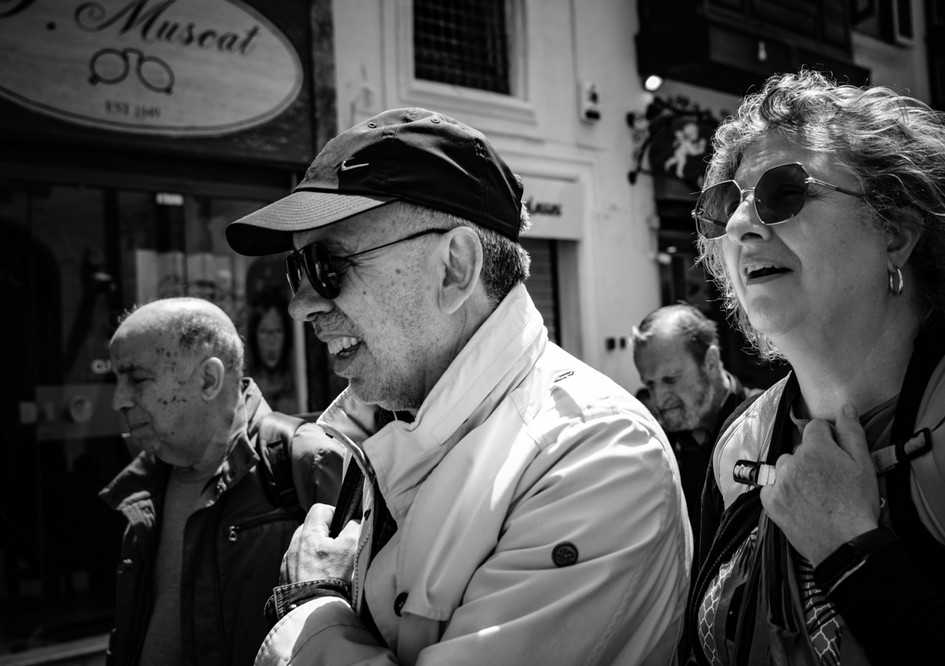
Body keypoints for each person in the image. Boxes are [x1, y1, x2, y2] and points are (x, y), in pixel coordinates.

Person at [225, 107, 692, 665]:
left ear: (454, 268)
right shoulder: (384, 421)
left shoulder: (597, 454)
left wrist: (310, 608)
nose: (302, 304)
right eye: (295, 270)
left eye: (327, 266)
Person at [683, 69, 945, 665]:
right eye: (726, 204)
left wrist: (850, 552)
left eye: (784, 193)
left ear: (896, 234)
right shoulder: (738, 448)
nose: (739, 225)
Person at [99, 297, 345, 666]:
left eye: (136, 379)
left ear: (209, 379)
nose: (119, 399)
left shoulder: (306, 461)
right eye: (116, 380)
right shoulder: (144, 483)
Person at [631, 304, 760, 539]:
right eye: (649, 384)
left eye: (670, 379)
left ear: (710, 362)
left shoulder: (766, 424)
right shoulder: (653, 443)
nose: (659, 398)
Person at [247, 293, 298, 413]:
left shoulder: (298, 381)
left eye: (278, 331)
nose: (271, 340)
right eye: (264, 332)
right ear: (254, 337)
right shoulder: (246, 386)